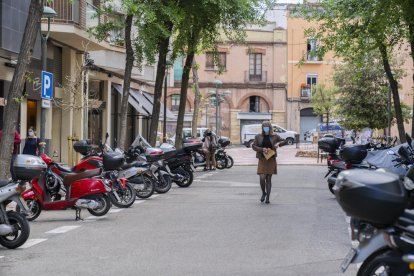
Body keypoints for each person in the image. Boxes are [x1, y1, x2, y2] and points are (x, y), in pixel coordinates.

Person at [252, 121, 287, 204]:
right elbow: (253, 146)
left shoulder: (275, 136)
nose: (265, 128)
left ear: (270, 127)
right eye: (264, 127)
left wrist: (278, 143)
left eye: (267, 127)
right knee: (262, 178)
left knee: (268, 179)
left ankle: (268, 197)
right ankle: (263, 193)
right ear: (262, 128)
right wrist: (261, 149)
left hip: (271, 159)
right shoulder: (258, 136)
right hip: (262, 159)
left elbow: (285, 141)